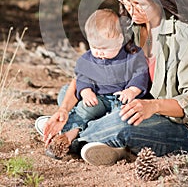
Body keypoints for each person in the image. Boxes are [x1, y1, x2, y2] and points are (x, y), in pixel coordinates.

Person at [38, 0, 188, 166]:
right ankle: (106, 142)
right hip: (134, 107)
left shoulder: (186, 36)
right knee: (69, 92)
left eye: (138, 3)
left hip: (179, 128)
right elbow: (91, 72)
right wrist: (63, 110)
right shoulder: (130, 30)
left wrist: (153, 106)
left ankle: (72, 135)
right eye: (125, 0)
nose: (130, 9)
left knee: (122, 123)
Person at [35, 8, 149, 158]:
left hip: (121, 99)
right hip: (98, 98)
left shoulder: (131, 55)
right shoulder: (87, 59)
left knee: (121, 116)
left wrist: (132, 90)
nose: (100, 53)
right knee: (79, 104)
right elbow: (82, 78)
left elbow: (140, 73)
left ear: (119, 39)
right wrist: (86, 91)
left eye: (105, 48)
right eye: (95, 47)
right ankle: (68, 134)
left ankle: (84, 137)